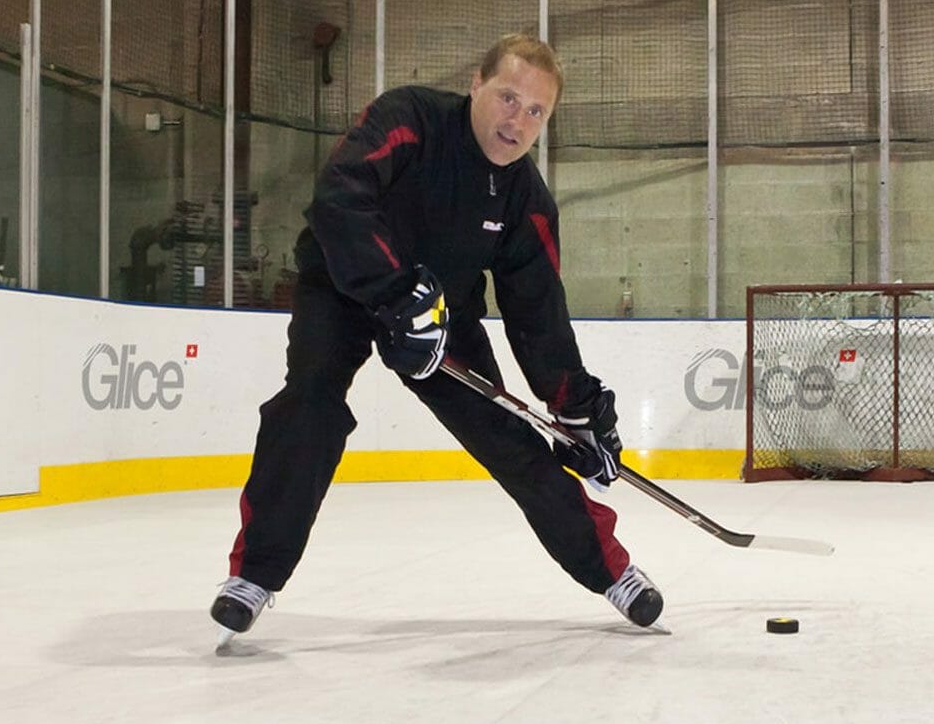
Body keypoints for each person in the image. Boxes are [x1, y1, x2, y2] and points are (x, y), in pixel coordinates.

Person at [210, 32, 663, 639]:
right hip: (342, 284)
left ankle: (609, 571)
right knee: (310, 404)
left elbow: (538, 312)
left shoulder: (525, 199)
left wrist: (577, 409)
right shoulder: (411, 119)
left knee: (509, 435)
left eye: (536, 112)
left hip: (442, 318)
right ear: (476, 84)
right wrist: (396, 296)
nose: (518, 121)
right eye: (508, 97)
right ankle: (256, 575)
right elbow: (340, 196)